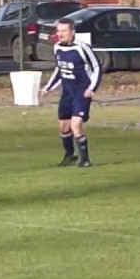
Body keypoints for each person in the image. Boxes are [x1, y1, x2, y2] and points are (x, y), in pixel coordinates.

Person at [42, 17, 101, 168]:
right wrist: (48, 87)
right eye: (58, 31)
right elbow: (59, 70)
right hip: (67, 92)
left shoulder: (82, 47)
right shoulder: (57, 47)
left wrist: (92, 88)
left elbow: (97, 67)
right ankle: (69, 156)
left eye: (64, 31)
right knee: (63, 127)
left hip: (81, 91)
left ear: (72, 32)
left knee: (76, 125)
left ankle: (85, 160)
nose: (60, 34)